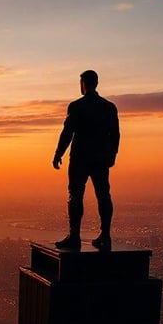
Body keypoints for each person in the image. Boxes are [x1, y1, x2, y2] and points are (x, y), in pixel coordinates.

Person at [52, 69, 120, 251]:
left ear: (84, 84)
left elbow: (67, 133)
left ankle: (74, 236)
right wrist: (112, 155)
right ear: (96, 83)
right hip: (100, 158)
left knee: (75, 195)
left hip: (80, 158)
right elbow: (115, 135)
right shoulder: (109, 107)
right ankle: (105, 235)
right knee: (103, 195)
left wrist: (58, 153)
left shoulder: (76, 107)